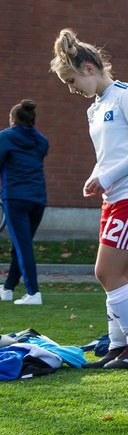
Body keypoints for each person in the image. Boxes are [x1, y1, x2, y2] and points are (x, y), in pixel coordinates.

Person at [50, 30, 128, 367]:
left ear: (89, 68)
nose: (73, 90)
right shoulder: (97, 106)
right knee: (121, 275)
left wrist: (107, 177)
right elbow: (111, 152)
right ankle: (118, 344)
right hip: (117, 197)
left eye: (72, 81)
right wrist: (97, 176)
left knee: (106, 272)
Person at [0, 100, 48, 306]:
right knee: (21, 244)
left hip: (15, 198)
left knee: (23, 246)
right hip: (38, 199)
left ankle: (33, 292)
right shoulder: (42, 141)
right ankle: (8, 288)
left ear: (13, 120)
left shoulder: (5, 137)